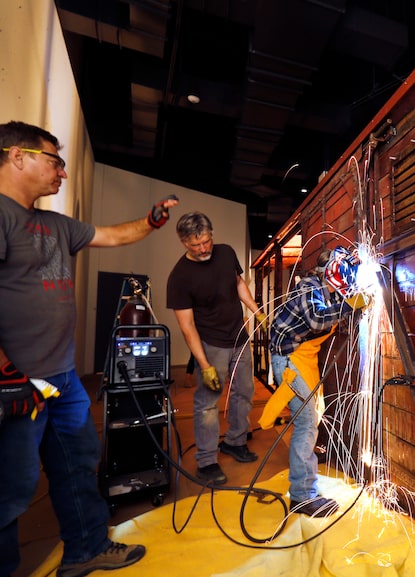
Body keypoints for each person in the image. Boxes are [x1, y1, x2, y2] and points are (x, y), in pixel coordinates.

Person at [0, 120, 179, 577]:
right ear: (18, 157)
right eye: (55, 161)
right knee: (11, 489)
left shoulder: (55, 224)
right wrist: (6, 375)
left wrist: (152, 221)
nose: (62, 173)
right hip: (16, 384)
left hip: (61, 379)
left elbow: (114, 235)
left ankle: (86, 550)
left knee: (78, 464)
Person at [166, 212, 264, 485]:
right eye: (196, 245)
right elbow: (187, 327)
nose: (204, 248)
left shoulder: (225, 253)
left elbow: (238, 283)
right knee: (208, 404)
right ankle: (207, 461)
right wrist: (205, 364)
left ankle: (234, 441)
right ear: (184, 242)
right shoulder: (180, 277)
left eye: (207, 241)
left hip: (239, 338)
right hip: (211, 344)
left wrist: (257, 312)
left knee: (244, 392)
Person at [267, 247, 365, 517]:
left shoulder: (329, 290)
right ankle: (301, 496)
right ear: (331, 271)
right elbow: (318, 318)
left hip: (302, 358)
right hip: (289, 359)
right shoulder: (309, 286)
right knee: (306, 424)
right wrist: (349, 305)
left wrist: (352, 305)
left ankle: (304, 486)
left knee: (310, 420)